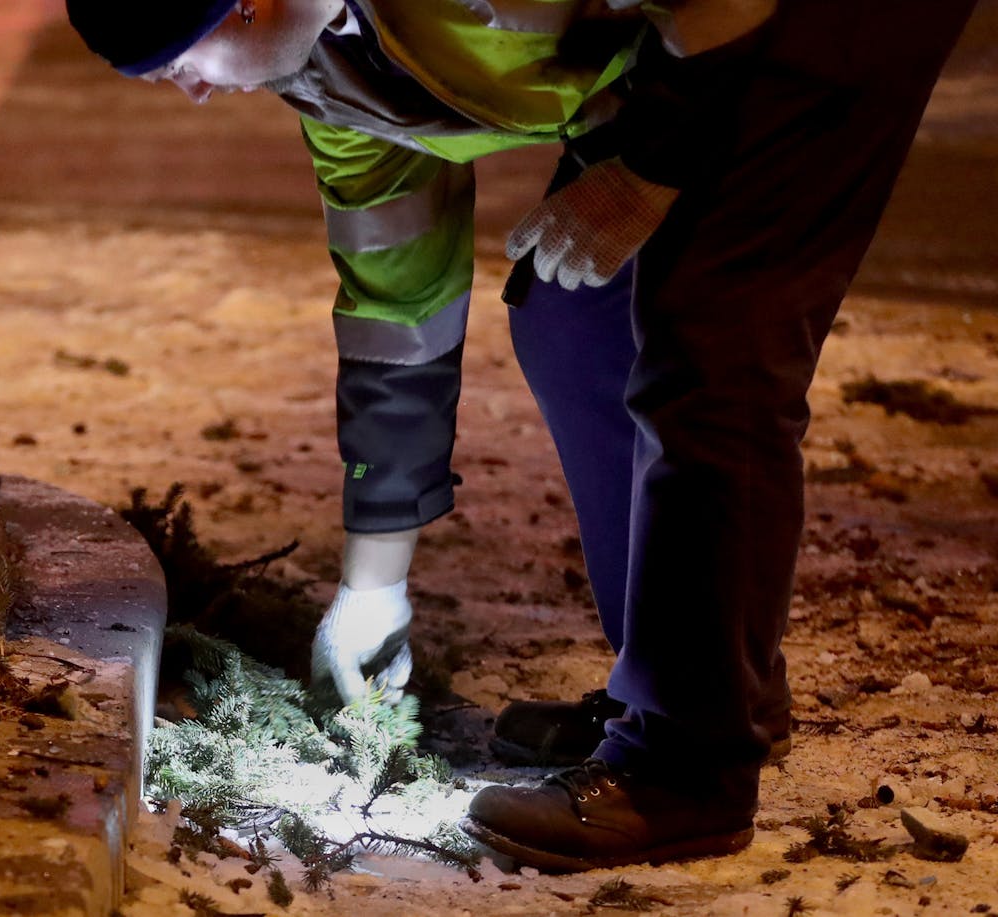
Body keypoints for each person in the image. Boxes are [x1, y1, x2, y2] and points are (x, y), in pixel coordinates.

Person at [66, 0, 977, 872]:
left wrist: (652, 167)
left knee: (713, 341)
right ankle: (688, 684)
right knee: (576, 316)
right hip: (683, 46)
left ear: (245, 4)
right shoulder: (334, 82)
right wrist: (372, 588)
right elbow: (399, 315)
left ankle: (686, 767)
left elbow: (726, 5)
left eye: (176, 62)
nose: (187, 90)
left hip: (808, 18)